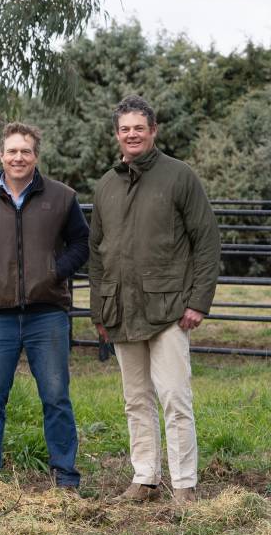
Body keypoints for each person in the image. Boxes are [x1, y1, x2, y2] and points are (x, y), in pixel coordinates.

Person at [90, 95, 220, 504]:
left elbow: (206, 240)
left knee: (175, 398)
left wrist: (198, 301)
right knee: (135, 400)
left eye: (139, 127)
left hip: (169, 311)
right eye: (125, 128)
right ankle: (144, 477)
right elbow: (97, 252)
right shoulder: (107, 184)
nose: (132, 134)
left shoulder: (179, 176)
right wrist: (100, 309)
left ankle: (184, 485)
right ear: (117, 135)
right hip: (122, 310)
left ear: (153, 131)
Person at [0, 122, 89, 489]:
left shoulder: (62, 197)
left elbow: (81, 243)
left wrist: (55, 272)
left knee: (56, 398)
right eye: (12, 151)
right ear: (1, 156)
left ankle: (65, 479)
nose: (18, 157)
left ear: (36, 157)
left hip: (48, 313)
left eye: (25, 151)